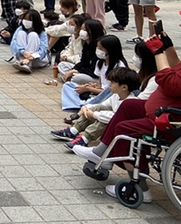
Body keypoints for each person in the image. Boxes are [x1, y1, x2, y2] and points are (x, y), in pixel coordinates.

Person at [73, 35, 180, 205]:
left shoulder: (153, 77)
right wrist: (167, 44)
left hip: (169, 119)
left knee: (123, 128)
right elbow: (176, 66)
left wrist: (159, 52)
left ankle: (141, 188)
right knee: (128, 105)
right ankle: (101, 153)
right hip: (158, 111)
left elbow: (169, 82)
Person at [51, 67, 140, 150]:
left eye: (112, 82)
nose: (109, 85)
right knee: (99, 107)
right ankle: (74, 130)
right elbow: (102, 105)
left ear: (124, 87)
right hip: (114, 123)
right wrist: (87, 108)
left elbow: (114, 117)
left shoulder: (130, 102)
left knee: (103, 119)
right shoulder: (116, 96)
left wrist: (94, 114)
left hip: (123, 129)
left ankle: (85, 139)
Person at [61, 34, 128, 110]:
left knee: (100, 96)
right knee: (68, 85)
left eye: (101, 48)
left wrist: (89, 89)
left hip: (108, 94)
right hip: (98, 92)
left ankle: (82, 104)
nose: (98, 49)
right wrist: (91, 86)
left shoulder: (119, 66)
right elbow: (101, 84)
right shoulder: (100, 62)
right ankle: (80, 104)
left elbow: (111, 91)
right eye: (97, 47)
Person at [56, 14, 87, 79]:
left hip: (79, 63)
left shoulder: (83, 40)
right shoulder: (72, 36)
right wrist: (65, 55)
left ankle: (71, 78)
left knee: (77, 76)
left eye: (72, 25)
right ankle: (69, 77)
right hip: (73, 62)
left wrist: (68, 58)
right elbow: (70, 49)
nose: (70, 27)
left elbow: (81, 57)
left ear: (79, 27)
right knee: (61, 64)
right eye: (69, 24)